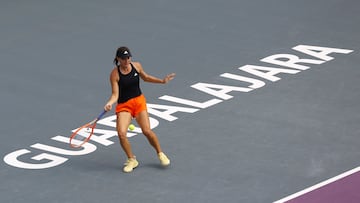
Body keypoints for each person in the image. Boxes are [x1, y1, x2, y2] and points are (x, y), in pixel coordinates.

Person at [104, 46, 175, 173]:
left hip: (139, 102)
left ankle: (160, 153)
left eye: (128, 57)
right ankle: (132, 159)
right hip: (124, 105)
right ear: (118, 59)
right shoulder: (114, 74)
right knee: (121, 134)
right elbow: (115, 94)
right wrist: (110, 103)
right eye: (124, 58)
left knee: (147, 131)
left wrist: (162, 81)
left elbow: (146, 78)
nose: (127, 61)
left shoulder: (136, 66)